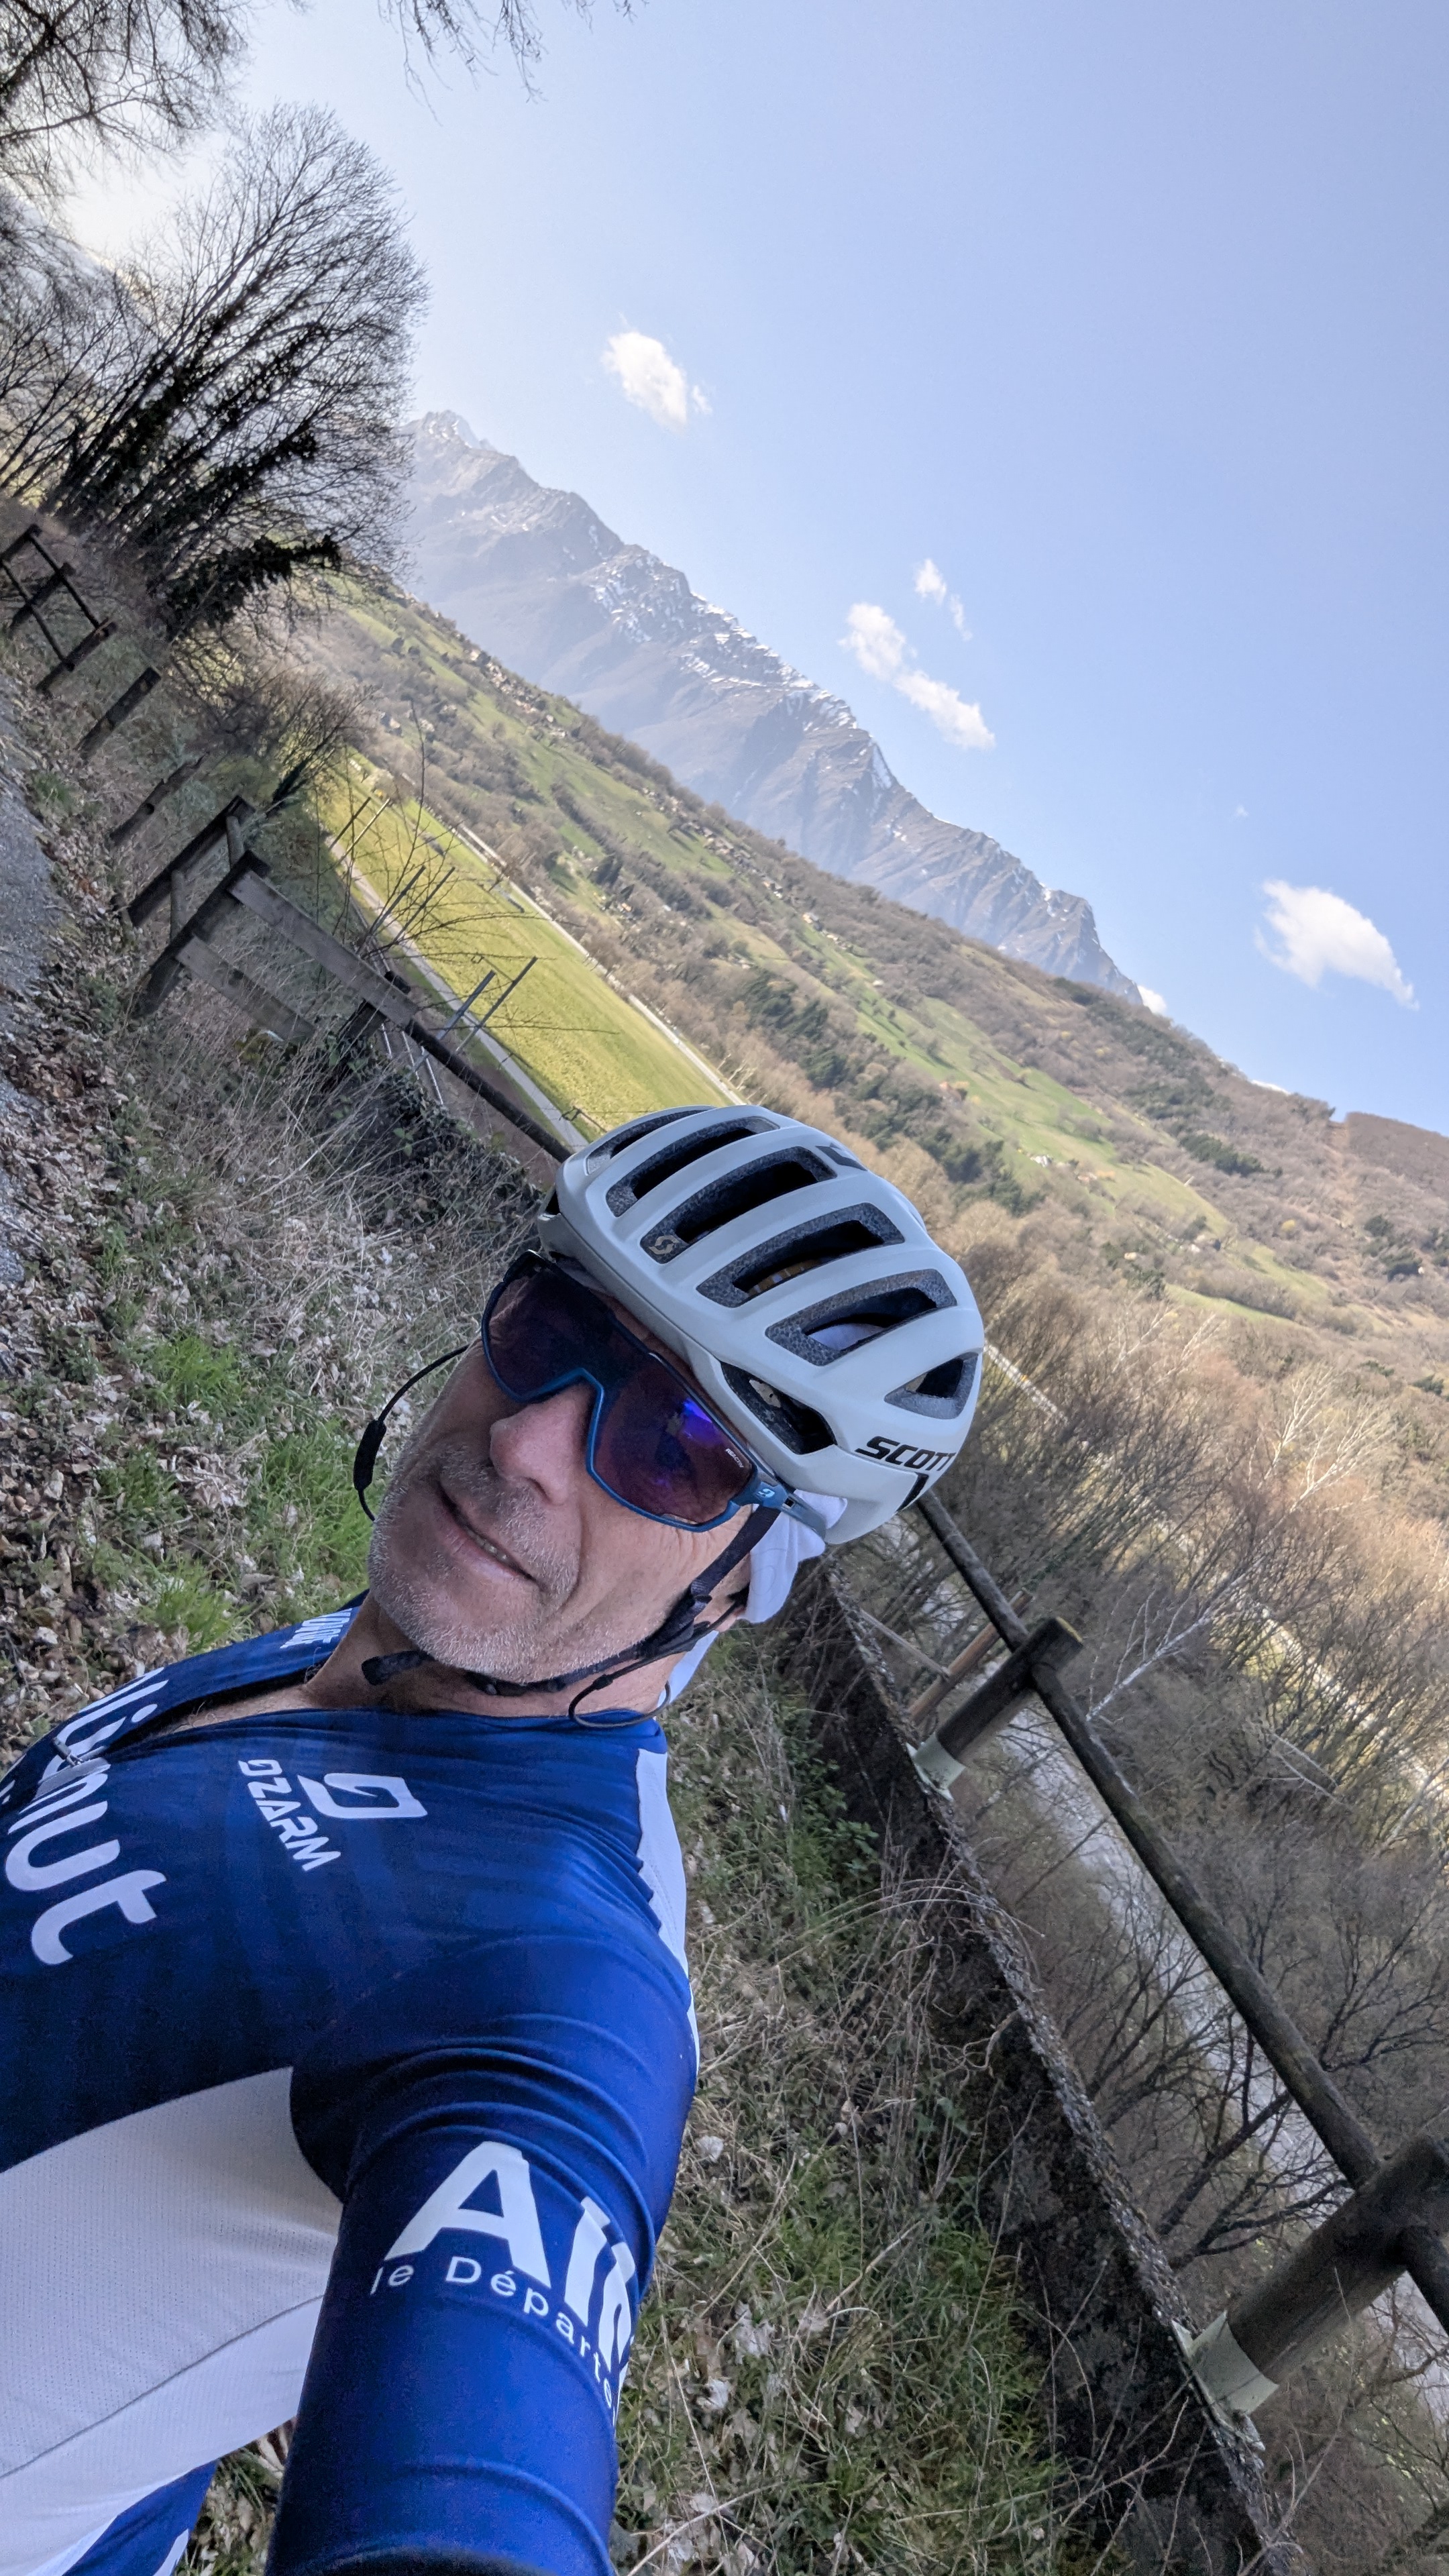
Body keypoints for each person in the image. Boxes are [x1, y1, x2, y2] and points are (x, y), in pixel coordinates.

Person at [0, 1105, 983, 2576]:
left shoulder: (558, 1975)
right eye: (548, 1328)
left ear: (741, 1581)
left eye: (675, 1446)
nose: (525, 1443)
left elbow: (477, 2490)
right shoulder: (385, 1641)